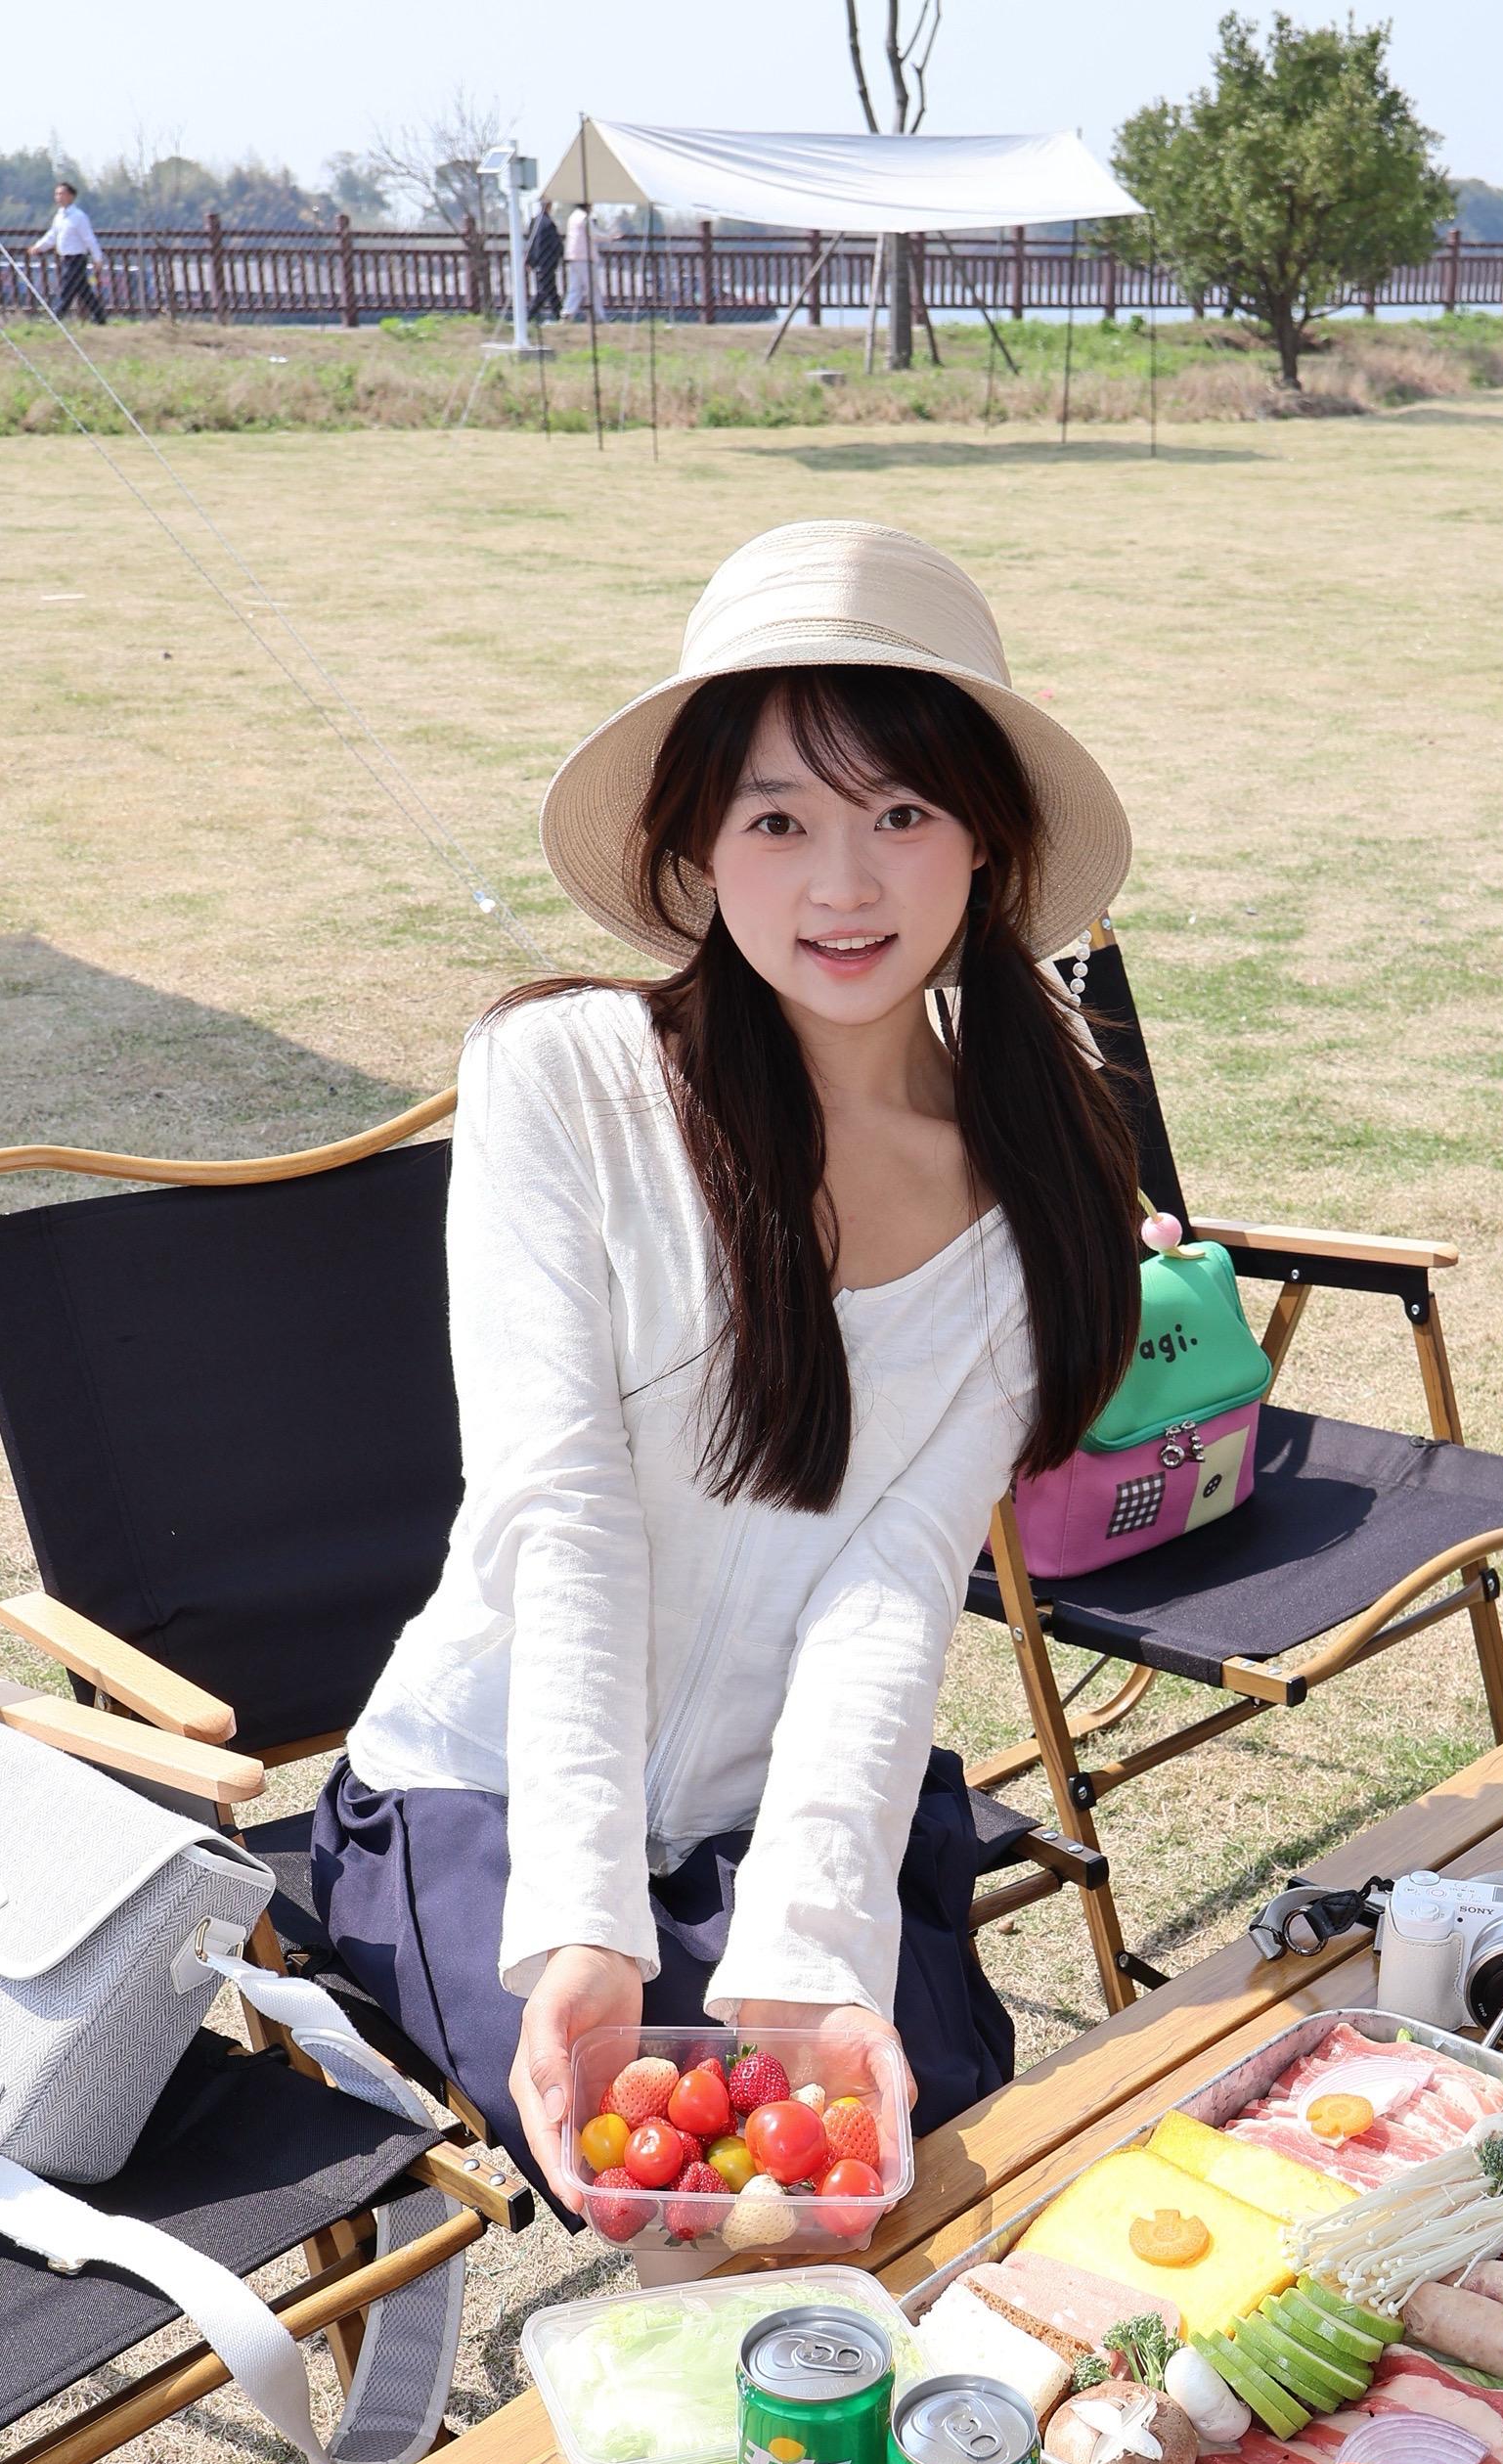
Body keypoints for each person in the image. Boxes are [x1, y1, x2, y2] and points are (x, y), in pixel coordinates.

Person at [312, 519, 1141, 2210]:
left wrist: (813, 1943)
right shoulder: (565, 1077)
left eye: (901, 814)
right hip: (488, 1794)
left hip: (786, 1814)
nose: (843, 887)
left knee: (892, 2153)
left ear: (986, 841)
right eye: (778, 820)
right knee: (677, 2169)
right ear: (697, 846)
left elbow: (890, 1588)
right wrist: (585, 1921)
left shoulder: (1029, 1193)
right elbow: (564, 1509)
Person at [31, 181, 107, 325]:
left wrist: (97, 258)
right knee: (83, 291)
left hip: (77, 258)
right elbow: (52, 235)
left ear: (71, 196)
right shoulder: (59, 216)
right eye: (57, 194)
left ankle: (56, 317)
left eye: (62, 194)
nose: (58, 197)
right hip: (65, 258)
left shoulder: (79, 216)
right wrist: (39, 247)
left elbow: (89, 238)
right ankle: (100, 317)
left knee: (67, 288)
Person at [562, 202, 601, 322]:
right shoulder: (585, 218)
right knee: (593, 288)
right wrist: (610, 237)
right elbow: (594, 235)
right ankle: (597, 315)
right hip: (585, 257)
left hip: (572, 257)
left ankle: (567, 313)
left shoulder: (573, 217)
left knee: (575, 288)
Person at [526, 193, 561, 323]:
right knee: (544, 291)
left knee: (551, 290)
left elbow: (530, 242)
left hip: (539, 261)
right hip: (547, 261)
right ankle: (528, 316)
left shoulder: (534, 222)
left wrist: (530, 260)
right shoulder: (549, 224)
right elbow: (555, 244)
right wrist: (559, 255)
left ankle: (559, 315)